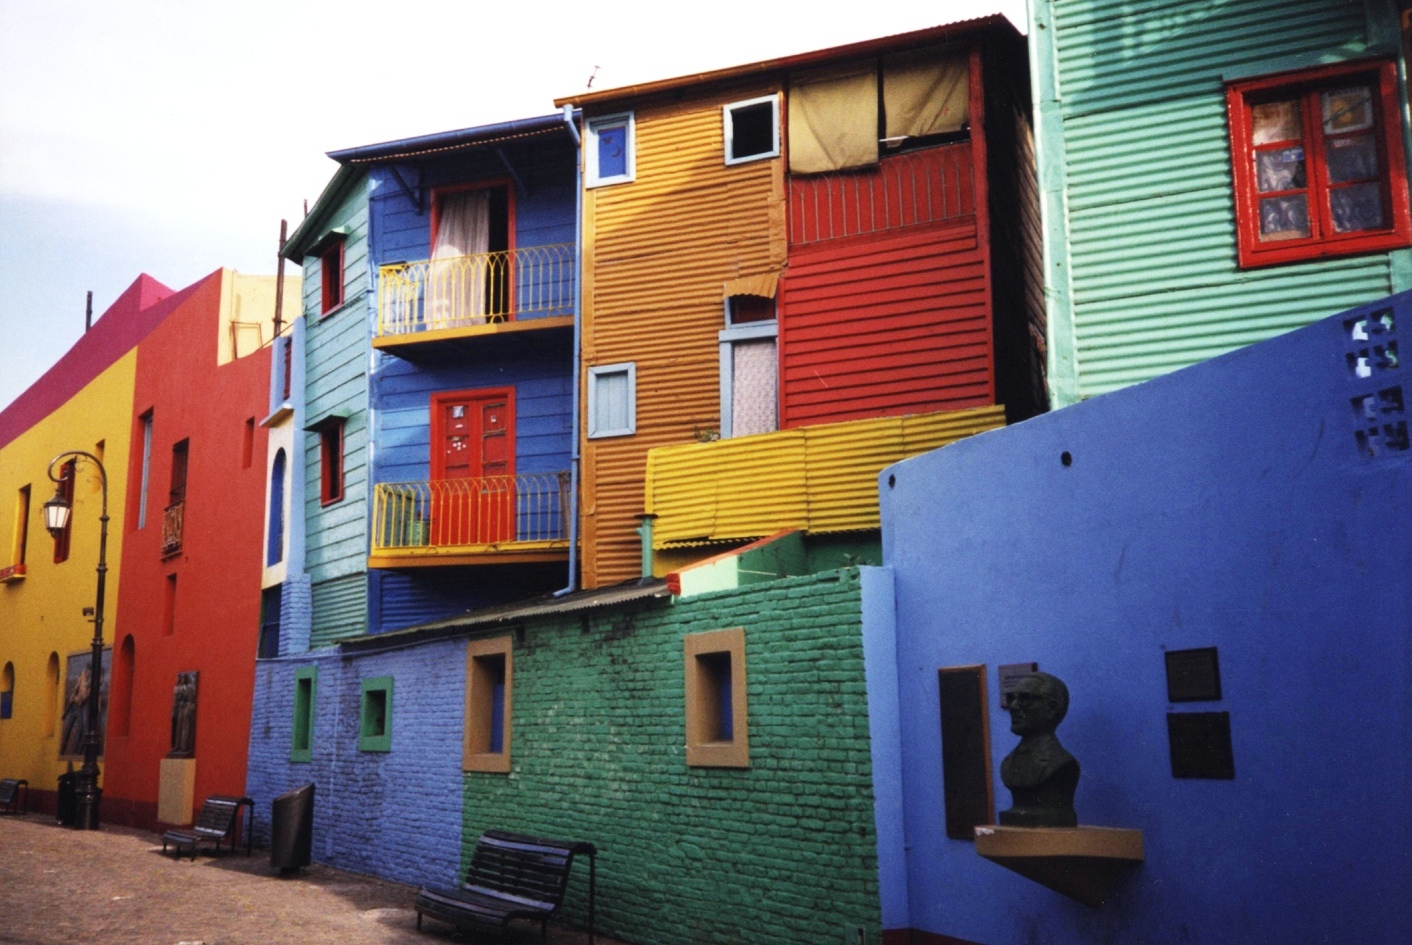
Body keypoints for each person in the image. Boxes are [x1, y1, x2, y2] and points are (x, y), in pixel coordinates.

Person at [999, 672, 1079, 827]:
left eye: (1025, 699)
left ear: (1051, 708)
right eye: (1011, 698)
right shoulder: (1008, 763)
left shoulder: (1061, 763)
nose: (1014, 706)